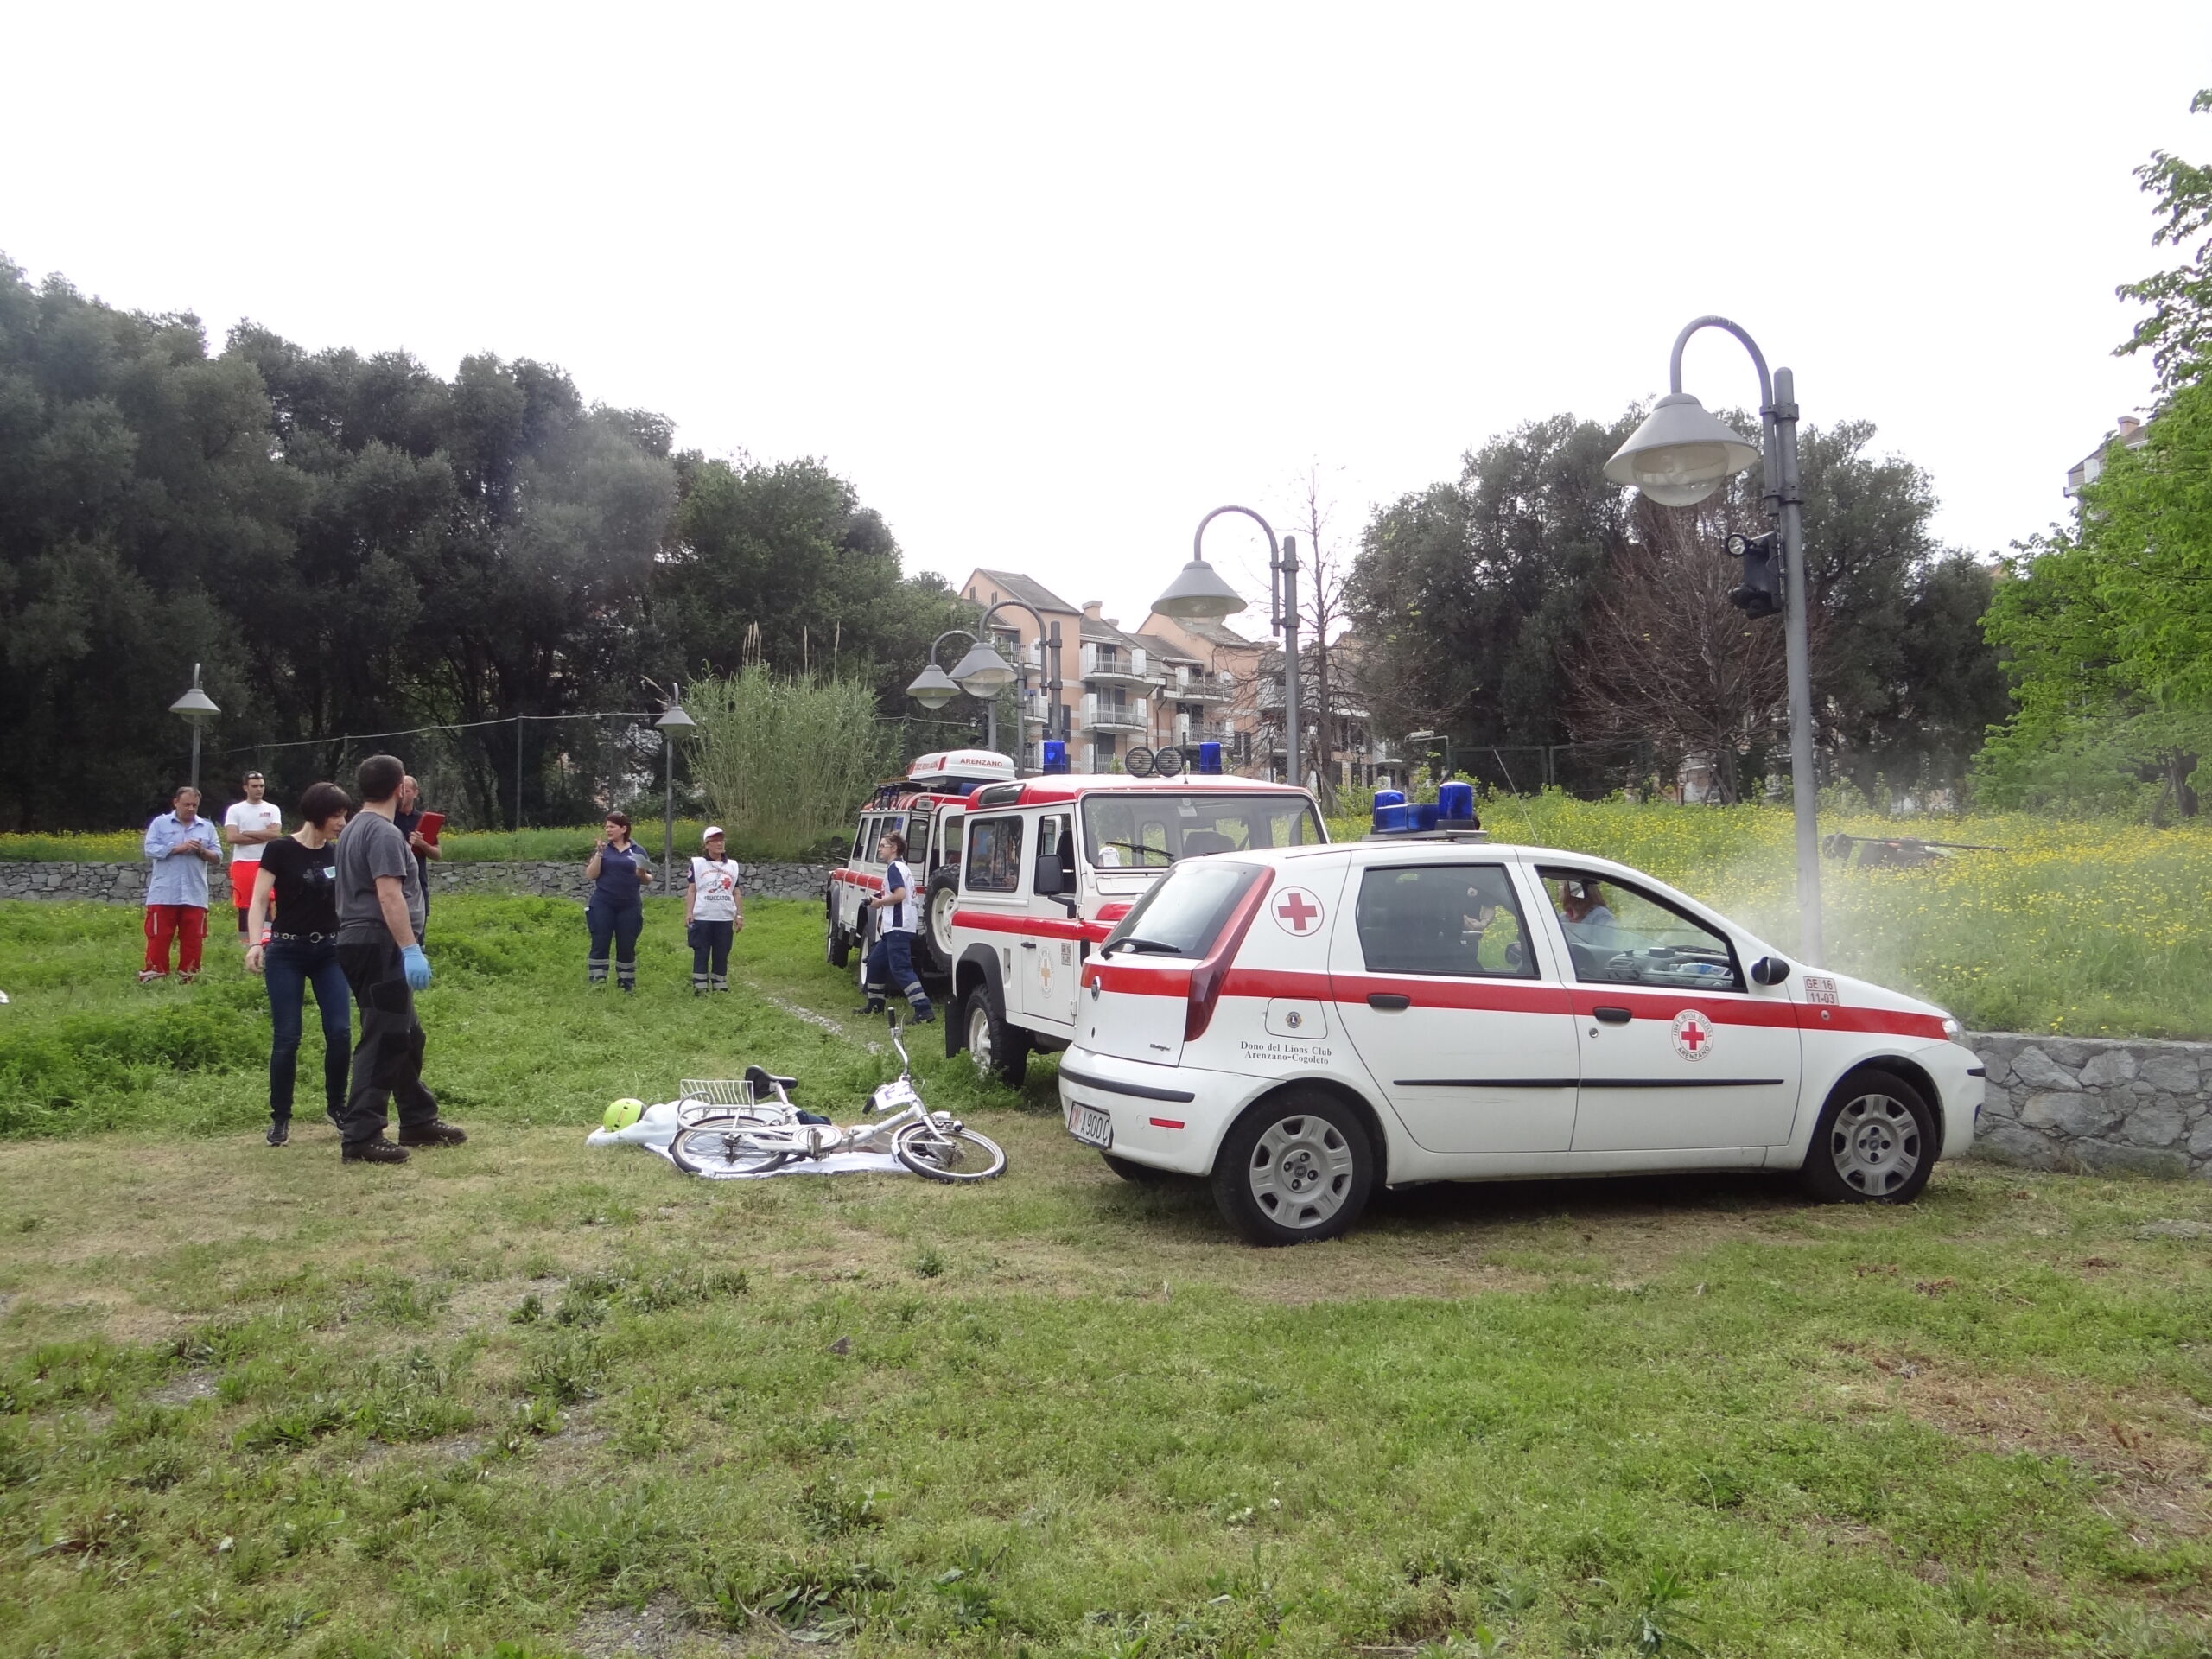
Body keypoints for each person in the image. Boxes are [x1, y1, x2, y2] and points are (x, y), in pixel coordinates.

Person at [334, 753, 467, 1165]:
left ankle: (417, 1119)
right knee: (385, 1036)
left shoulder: (355, 827)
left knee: (407, 1034)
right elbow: (389, 894)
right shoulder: (385, 834)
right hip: (379, 943)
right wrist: (409, 948)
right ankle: (361, 1135)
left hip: (361, 941)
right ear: (398, 789)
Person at [245, 782, 353, 1147]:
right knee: (287, 1038)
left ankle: (338, 1107)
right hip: (286, 952)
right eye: (336, 815)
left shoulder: (337, 853)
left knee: (340, 1031)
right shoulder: (279, 850)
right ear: (317, 815)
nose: (342, 822)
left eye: (344, 815)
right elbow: (259, 900)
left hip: (330, 952)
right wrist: (256, 942)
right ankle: (280, 1117)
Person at [142, 785, 223, 982]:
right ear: (176, 802)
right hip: (164, 892)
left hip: (195, 893)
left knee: (193, 938)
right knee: (159, 935)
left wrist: (201, 851)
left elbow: (218, 856)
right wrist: (177, 848)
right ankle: (155, 973)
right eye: (187, 804)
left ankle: (189, 974)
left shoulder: (207, 827)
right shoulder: (160, 824)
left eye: (195, 805)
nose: (191, 809)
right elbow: (150, 849)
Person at [855, 830, 933, 1022]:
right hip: (895, 928)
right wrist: (879, 898)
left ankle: (923, 1010)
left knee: (901, 969)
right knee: (874, 962)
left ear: (895, 848)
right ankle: (875, 1004)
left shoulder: (893, 869)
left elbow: (899, 895)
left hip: (898, 927)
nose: (880, 849)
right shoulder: (902, 868)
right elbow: (898, 893)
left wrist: (879, 903)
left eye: (883, 846)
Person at [583, 812, 652, 991]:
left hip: (629, 905)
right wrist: (599, 852)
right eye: (606, 827)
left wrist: (642, 874)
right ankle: (597, 983)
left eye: (612, 826)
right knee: (600, 942)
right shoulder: (603, 849)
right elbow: (591, 875)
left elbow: (647, 879)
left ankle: (626, 985)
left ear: (624, 829)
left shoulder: (638, 850)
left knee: (627, 945)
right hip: (603, 903)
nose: (608, 830)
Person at [221, 772, 284, 948]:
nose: (259, 789)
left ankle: (266, 940)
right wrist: (263, 835)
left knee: (267, 900)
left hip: (266, 861)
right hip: (243, 862)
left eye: (261, 786)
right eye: (255, 786)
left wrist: (247, 833)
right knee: (244, 903)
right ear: (245, 788)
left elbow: (275, 834)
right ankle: (245, 941)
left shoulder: (272, 809)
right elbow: (232, 837)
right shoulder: (235, 810)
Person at [683, 826, 744, 995]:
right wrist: (689, 912)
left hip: (724, 916)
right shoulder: (698, 864)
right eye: (715, 840)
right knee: (701, 951)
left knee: (722, 952)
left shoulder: (732, 866)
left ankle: (720, 985)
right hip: (703, 915)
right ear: (706, 844)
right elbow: (692, 890)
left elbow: (736, 892)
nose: (719, 844)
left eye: (721, 840)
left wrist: (739, 914)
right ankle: (700, 986)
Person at [392, 774, 442, 928]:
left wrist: (423, 844)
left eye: (407, 791)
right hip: (394, 882)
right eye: (400, 791)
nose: (403, 795)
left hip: (418, 884)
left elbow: (437, 855)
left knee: (418, 933)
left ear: (415, 793)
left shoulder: (424, 820)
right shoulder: (388, 818)